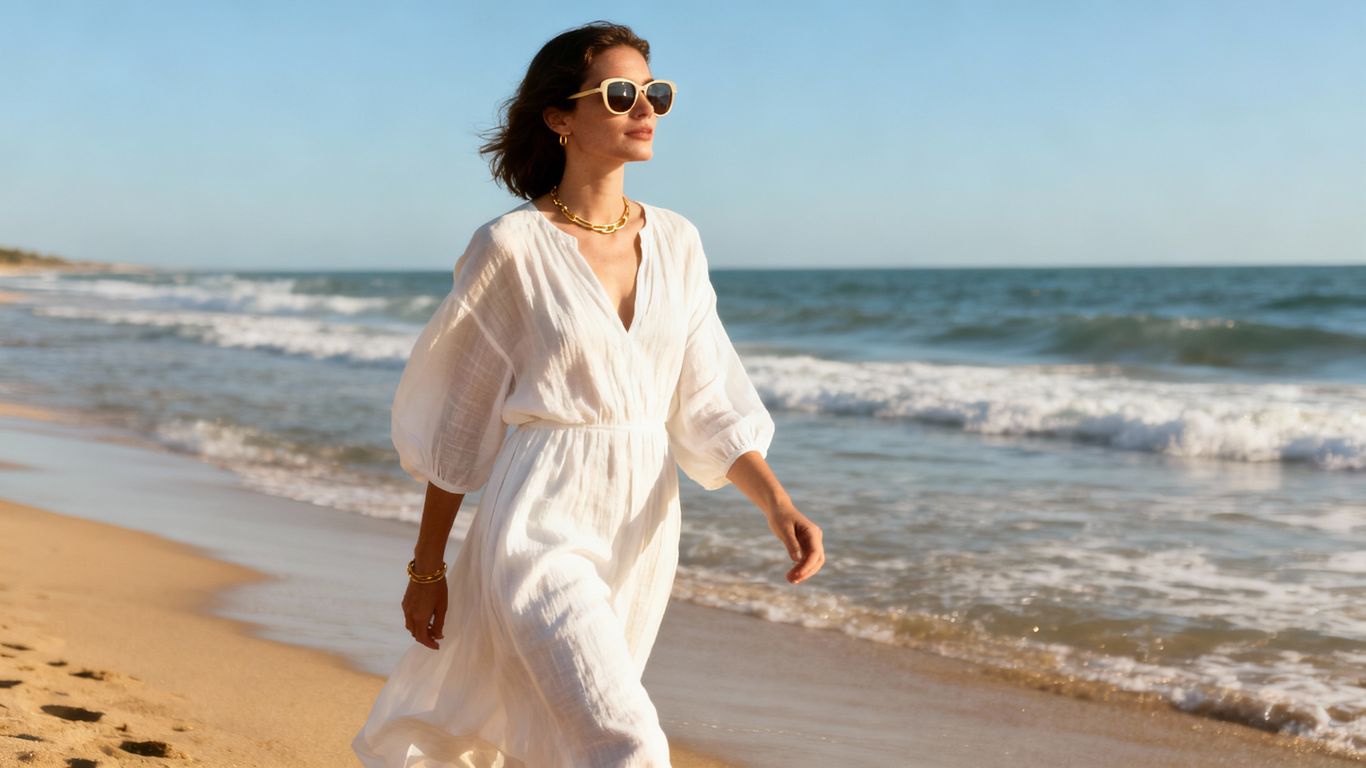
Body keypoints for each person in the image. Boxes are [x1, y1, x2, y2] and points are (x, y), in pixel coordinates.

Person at [352, 20, 825, 768]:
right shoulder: (509, 247)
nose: (645, 108)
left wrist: (779, 504)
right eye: (620, 93)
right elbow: (459, 424)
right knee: (624, 738)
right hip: (539, 520)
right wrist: (427, 566)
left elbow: (707, 399)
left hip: (641, 523)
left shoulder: (679, 242)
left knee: (562, 736)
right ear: (559, 116)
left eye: (655, 93)